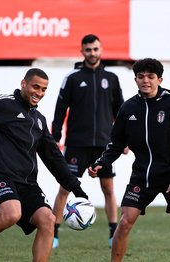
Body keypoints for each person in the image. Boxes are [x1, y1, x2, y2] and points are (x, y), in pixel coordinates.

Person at [0, 68, 89, 262]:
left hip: (27, 183)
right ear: (23, 84)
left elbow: (54, 158)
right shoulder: (2, 103)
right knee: (11, 213)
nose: (39, 93)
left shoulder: (38, 121)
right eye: (35, 87)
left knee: (48, 220)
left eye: (43, 90)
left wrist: (77, 189)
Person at [89, 58, 170, 262]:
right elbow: (116, 143)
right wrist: (101, 162)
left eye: (150, 76)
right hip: (142, 176)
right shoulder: (128, 108)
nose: (145, 80)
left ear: (160, 79)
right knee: (125, 222)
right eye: (141, 76)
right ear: (135, 79)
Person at [51, 34, 124, 248]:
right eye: (88, 50)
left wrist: (125, 139)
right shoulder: (72, 78)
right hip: (76, 143)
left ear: (101, 50)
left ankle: (113, 234)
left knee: (108, 189)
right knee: (65, 188)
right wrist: (55, 137)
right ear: (82, 51)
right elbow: (60, 109)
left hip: (104, 145)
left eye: (95, 49)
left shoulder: (111, 78)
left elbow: (120, 111)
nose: (92, 53)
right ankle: (54, 234)